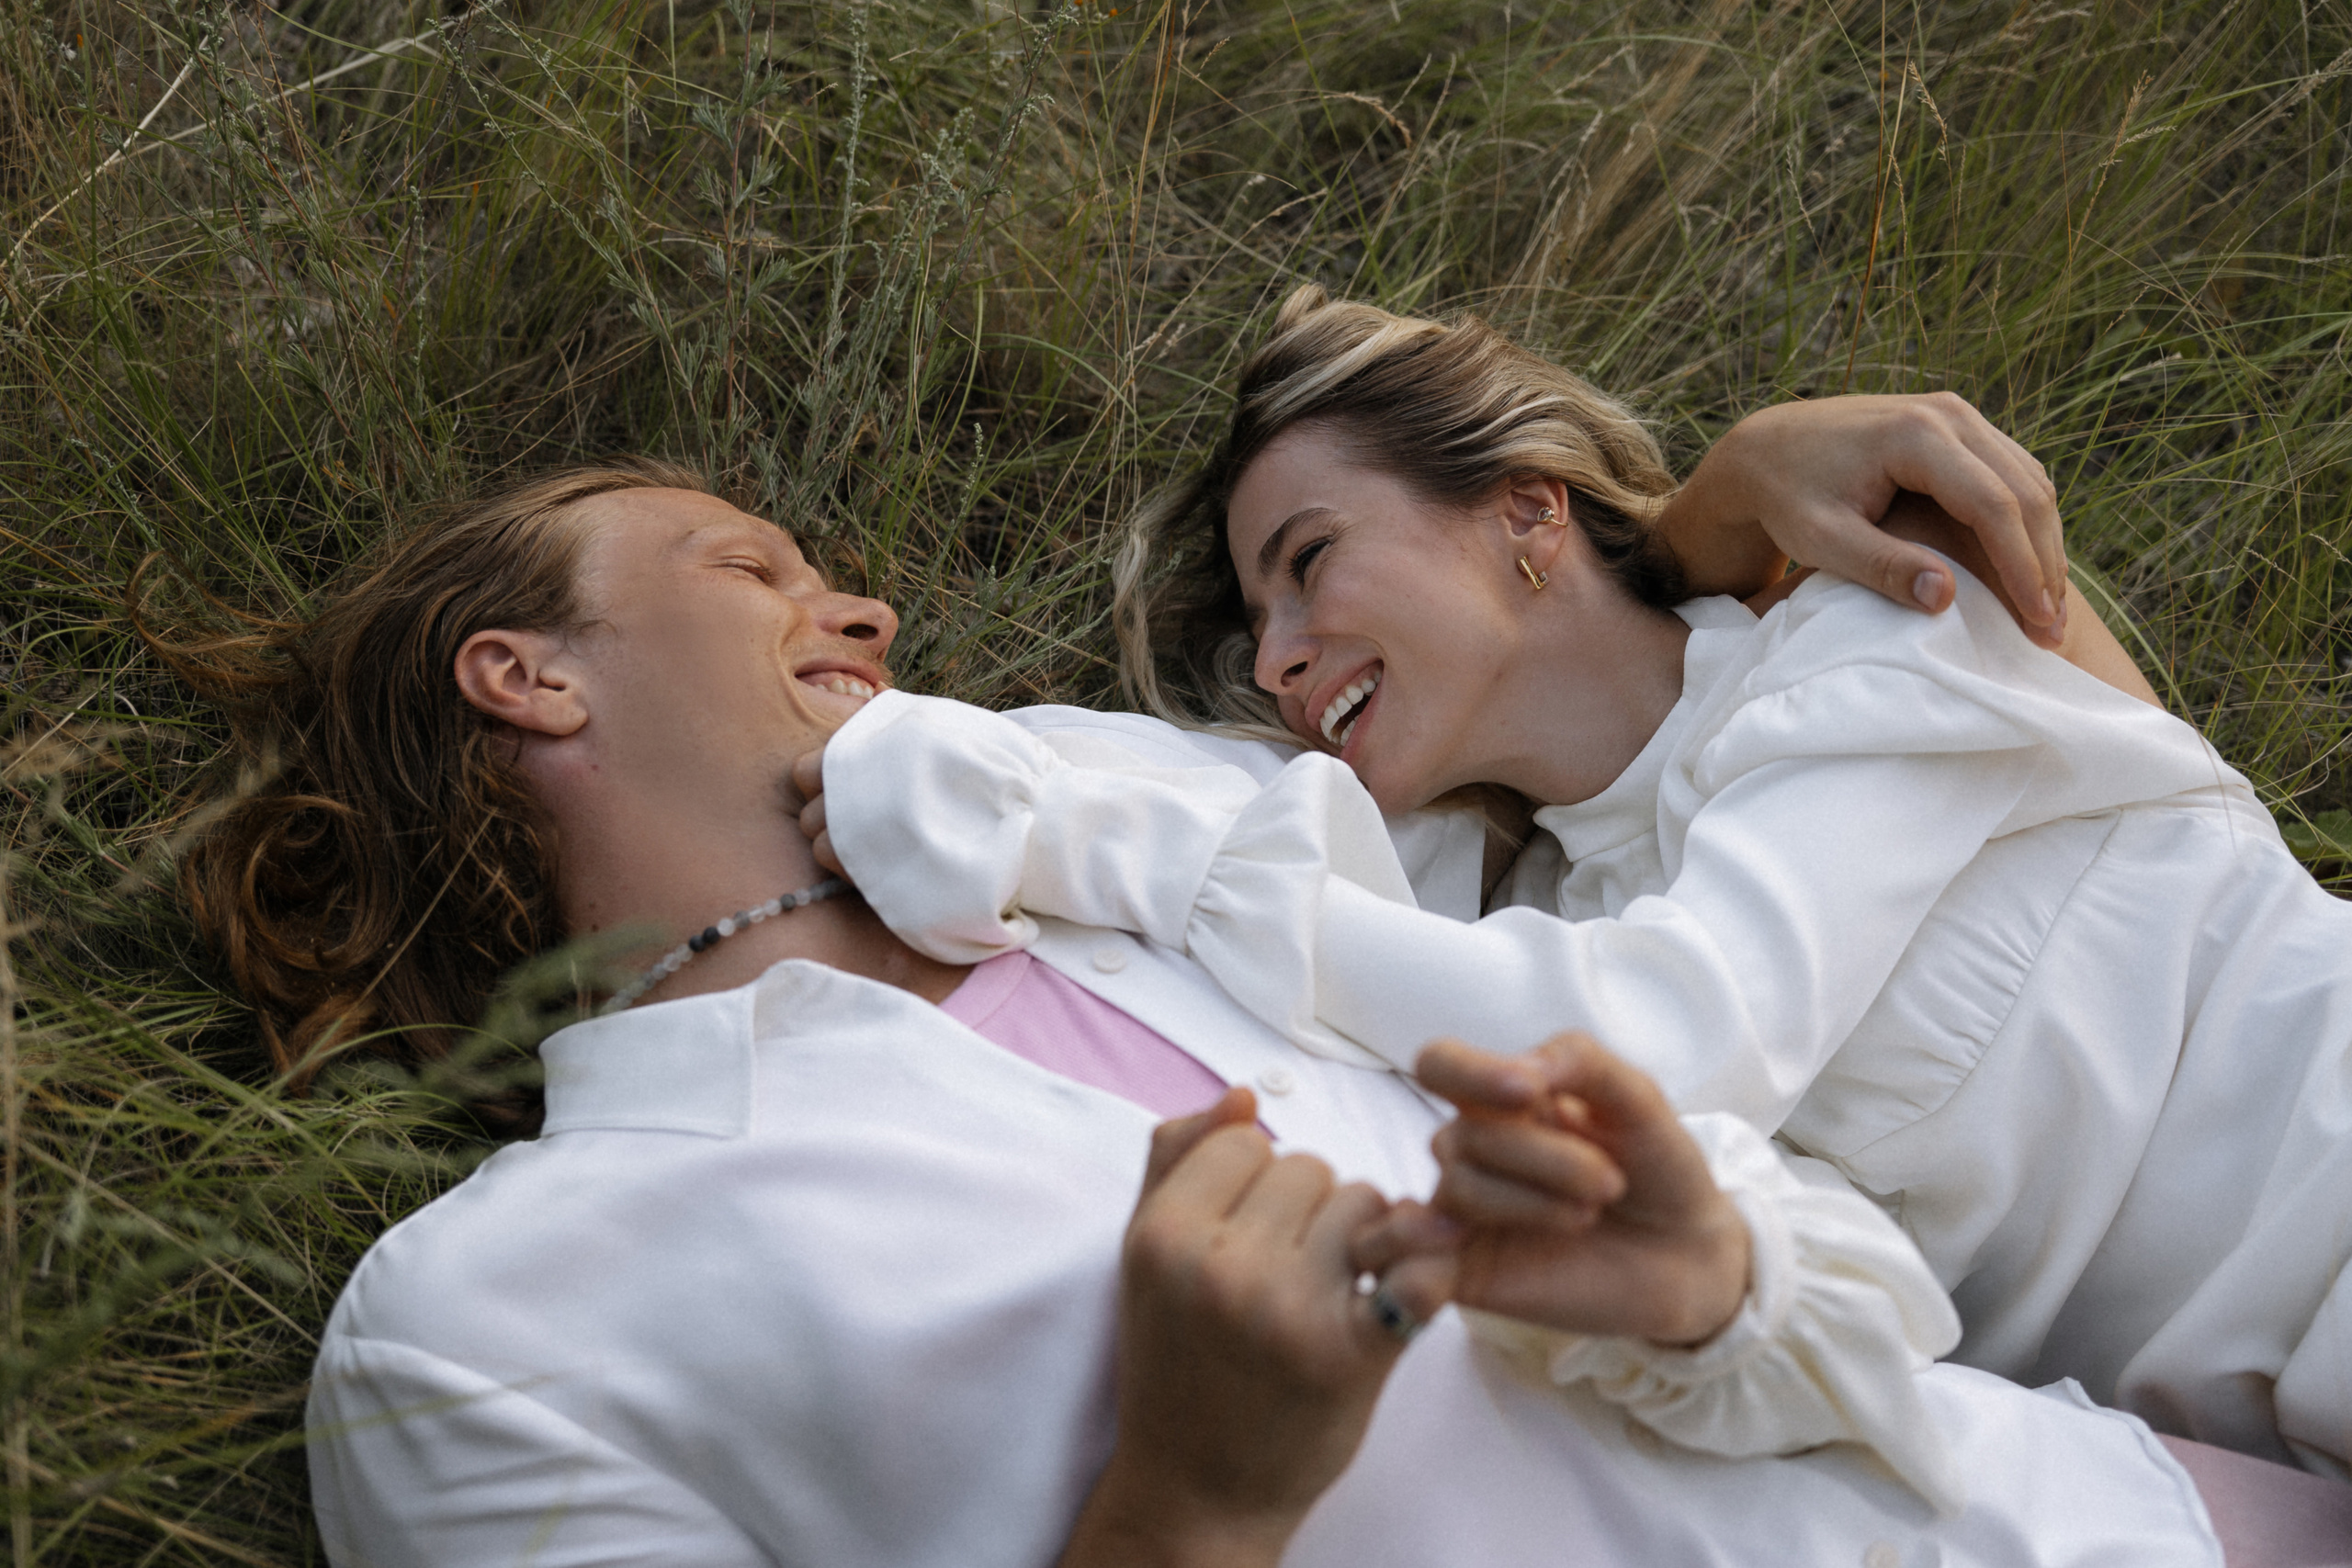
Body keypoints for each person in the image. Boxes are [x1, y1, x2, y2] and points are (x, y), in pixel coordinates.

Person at [161, 461, 2241, 1565]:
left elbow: (1637, 859)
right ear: (527, 676)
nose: (860, 611)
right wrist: (1189, 1504)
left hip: (2112, 1505)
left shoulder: (1155, 842)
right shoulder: (485, 1329)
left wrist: (1713, 1272)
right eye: (749, 562)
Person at [805, 285, 2352, 1492]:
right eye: (1264, 620)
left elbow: (1674, 1038)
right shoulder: (1519, 922)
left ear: (1528, 514)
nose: (1279, 657)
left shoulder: (1869, 634)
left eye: (1312, 557)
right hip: (2252, 1465)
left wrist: (1099, 843)